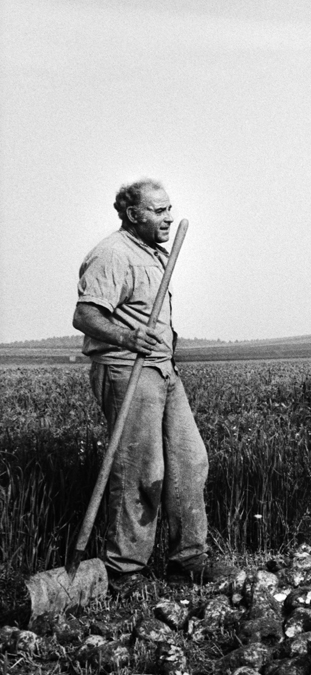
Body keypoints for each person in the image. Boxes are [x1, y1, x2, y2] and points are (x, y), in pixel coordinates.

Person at [73, 179, 227, 588]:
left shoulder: (151, 252)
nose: (169, 218)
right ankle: (125, 571)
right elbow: (85, 316)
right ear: (132, 214)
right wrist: (127, 337)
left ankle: (188, 560)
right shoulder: (112, 254)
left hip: (162, 369)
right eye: (159, 211)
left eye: (169, 209)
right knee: (140, 470)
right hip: (127, 369)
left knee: (190, 461)